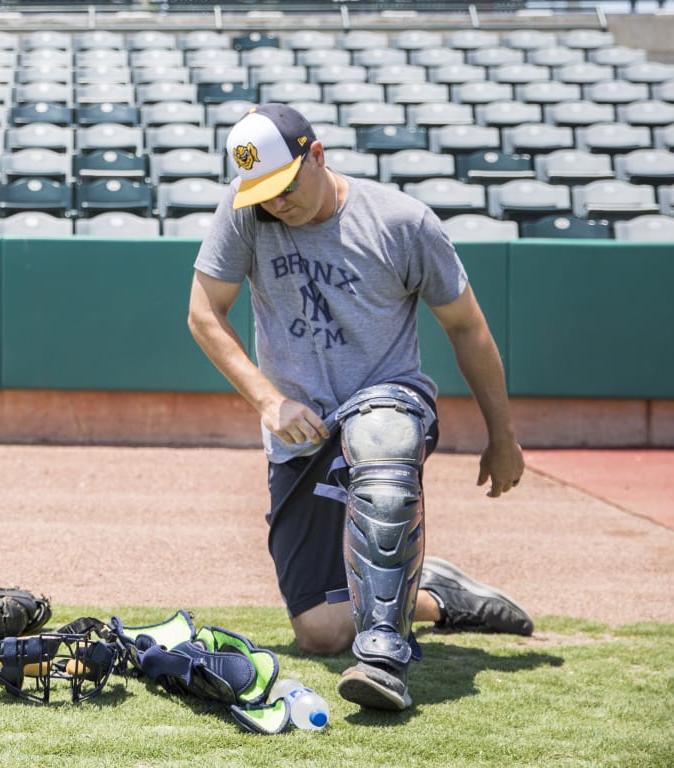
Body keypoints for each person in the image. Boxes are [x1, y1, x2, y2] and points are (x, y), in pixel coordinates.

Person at [185, 103, 533, 712]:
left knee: (379, 440)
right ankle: (433, 592)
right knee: (320, 633)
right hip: (302, 427)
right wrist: (269, 400)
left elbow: (468, 329)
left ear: (315, 155)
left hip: (387, 400)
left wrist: (502, 436)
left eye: (283, 188)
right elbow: (203, 313)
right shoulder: (245, 212)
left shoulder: (401, 221)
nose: (275, 205)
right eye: (260, 194)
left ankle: (384, 660)